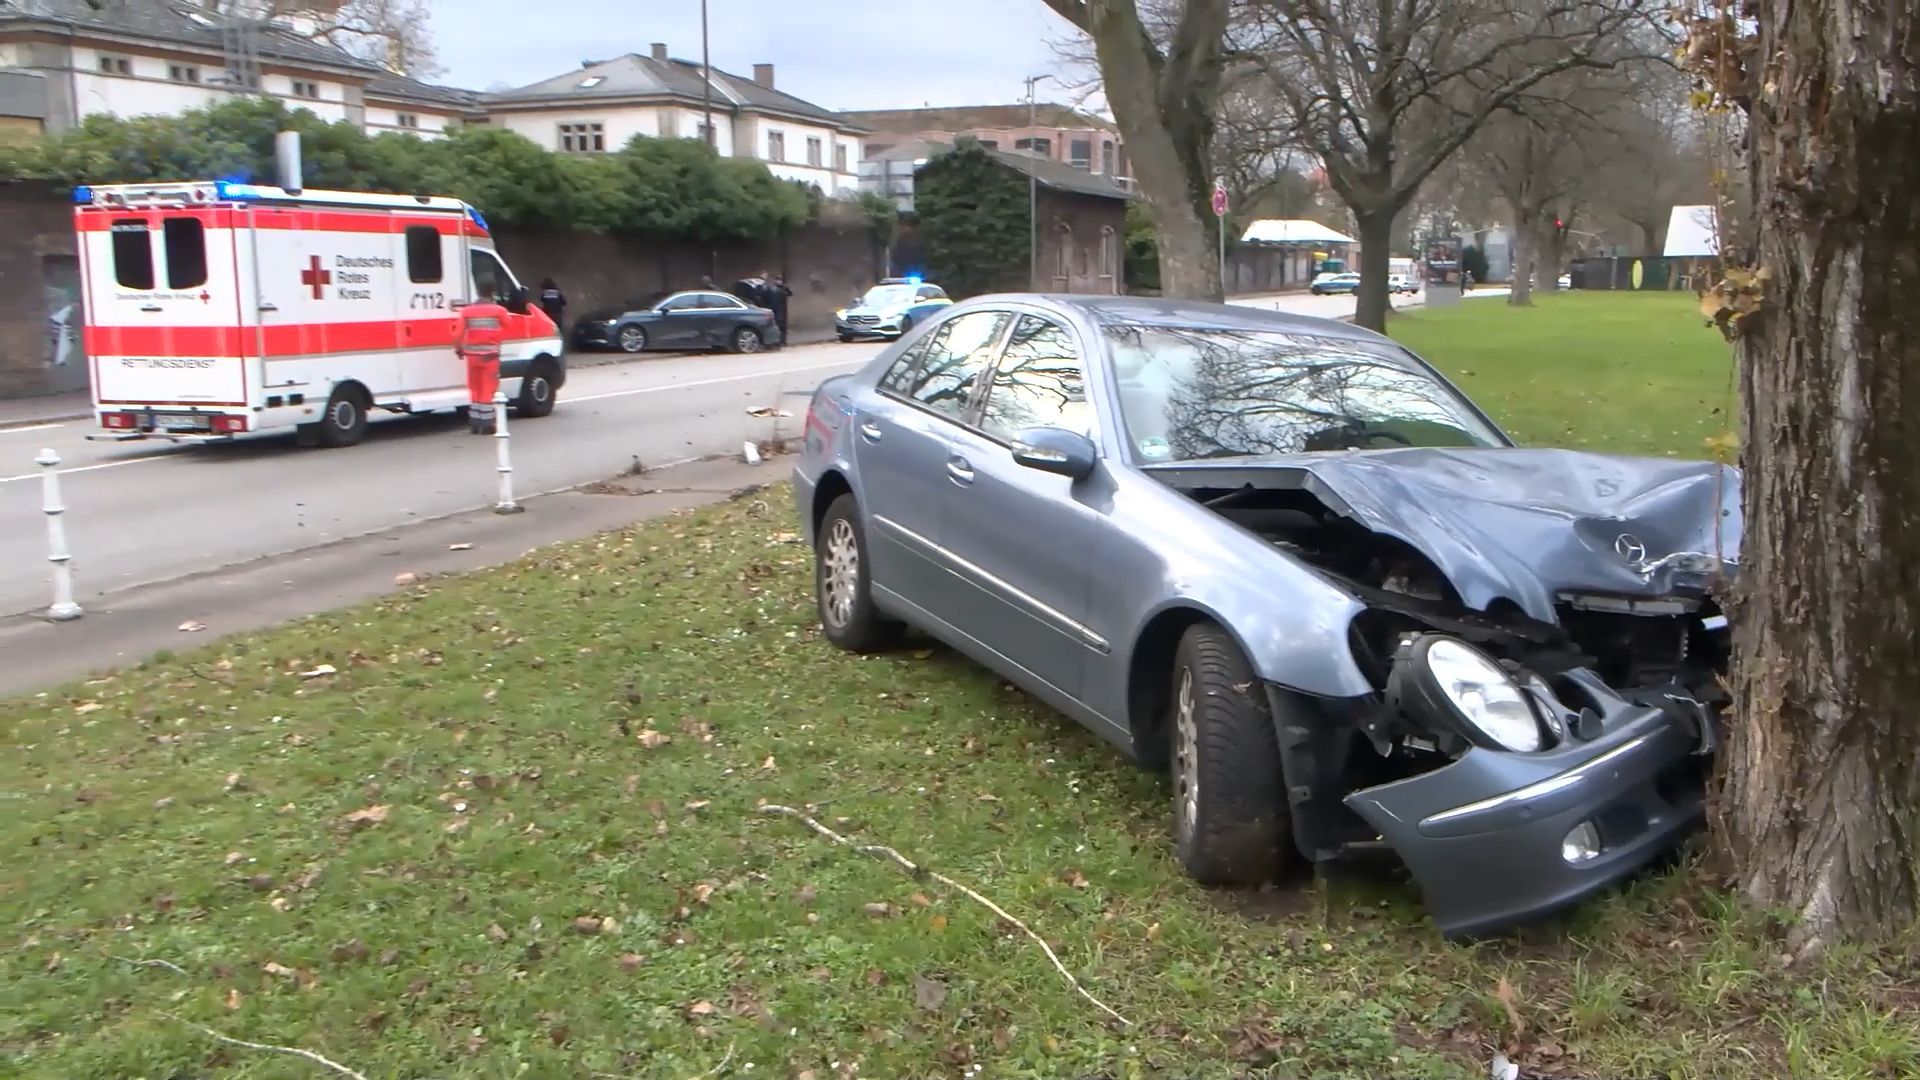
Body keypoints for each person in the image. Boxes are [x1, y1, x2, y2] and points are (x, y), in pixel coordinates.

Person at [457, 283, 509, 435]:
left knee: (475, 388)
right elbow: (509, 324)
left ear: (478, 293)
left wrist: (459, 348)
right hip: (490, 356)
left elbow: (458, 333)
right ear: (492, 294)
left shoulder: (467, 311)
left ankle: (475, 424)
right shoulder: (498, 310)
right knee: (488, 388)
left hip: (472, 356)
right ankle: (487, 425)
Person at [766, 272, 792, 346]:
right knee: (777, 325)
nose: (779, 281)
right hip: (776, 309)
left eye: (780, 280)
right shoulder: (773, 289)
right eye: (778, 280)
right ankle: (777, 341)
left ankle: (783, 341)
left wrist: (786, 289)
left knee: (783, 326)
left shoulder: (784, 287)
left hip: (783, 308)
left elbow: (790, 294)